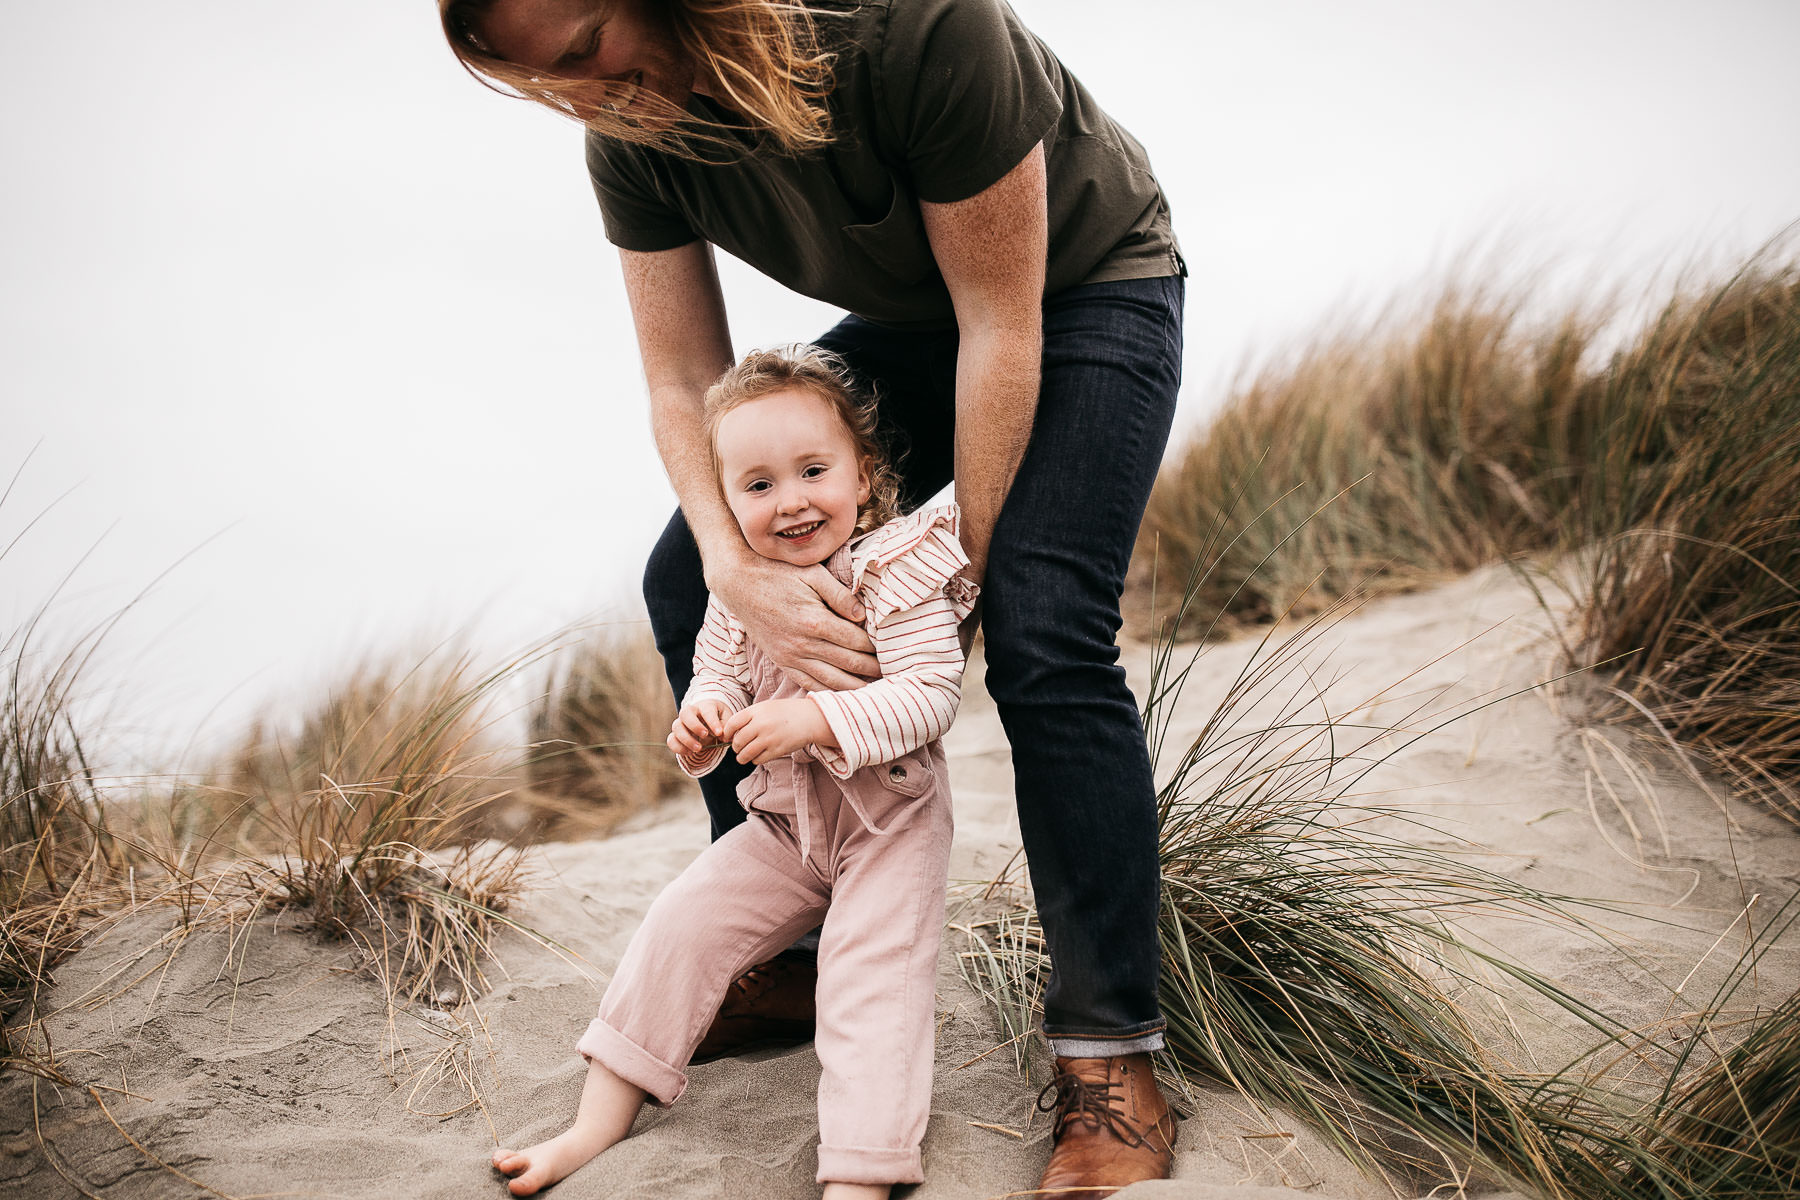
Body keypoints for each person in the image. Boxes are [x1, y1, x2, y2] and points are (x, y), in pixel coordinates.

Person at [441, 1, 1185, 1193]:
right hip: (913, 323)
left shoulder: (914, 27)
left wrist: (956, 588)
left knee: (1045, 620)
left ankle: (1108, 1057)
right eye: (549, 85)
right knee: (684, 573)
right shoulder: (622, 133)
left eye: (584, 51)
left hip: (1079, 291)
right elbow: (684, 378)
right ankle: (786, 948)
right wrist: (739, 569)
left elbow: (1001, 321)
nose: (585, 96)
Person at [491, 347, 973, 1197]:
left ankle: (860, 1176)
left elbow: (930, 697)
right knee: (678, 925)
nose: (789, 500)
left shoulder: (898, 566)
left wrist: (814, 717)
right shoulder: (738, 593)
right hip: (785, 825)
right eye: (757, 485)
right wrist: (701, 723)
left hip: (890, 825)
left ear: (863, 477)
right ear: (727, 502)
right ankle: (595, 1123)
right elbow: (716, 676)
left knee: (869, 991)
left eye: (813, 471)